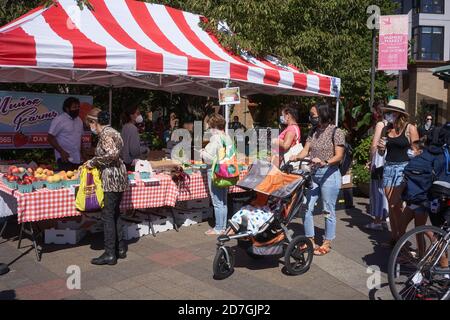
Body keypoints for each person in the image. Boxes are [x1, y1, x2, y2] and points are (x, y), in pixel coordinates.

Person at [290, 104, 344, 256]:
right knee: (306, 206)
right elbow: (305, 150)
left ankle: (327, 241)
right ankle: (310, 240)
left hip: (329, 174)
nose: (311, 117)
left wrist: (325, 162)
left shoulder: (336, 131)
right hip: (313, 174)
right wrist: (296, 156)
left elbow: (339, 155)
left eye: (313, 115)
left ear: (323, 114)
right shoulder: (313, 131)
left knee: (328, 209)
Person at [84, 108, 128, 266]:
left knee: (108, 215)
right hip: (119, 176)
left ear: (94, 122)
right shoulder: (115, 132)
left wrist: (93, 161)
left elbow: (111, 154)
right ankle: (120, 248)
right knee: (115, 213)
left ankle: (110, 253)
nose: (90, 127)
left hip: (111, 177)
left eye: (90, 123)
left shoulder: (105, 134)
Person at [376, 99, 419, 247]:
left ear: (399, 114)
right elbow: (382, 153)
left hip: (403, 168)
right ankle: (394, 237)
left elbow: (417, 151)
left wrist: (413, 154)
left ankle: (402, 239)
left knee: (395, 205)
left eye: (390, 112)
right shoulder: (386, 129)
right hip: (388, 167)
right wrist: (381, 148)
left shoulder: (410, 128)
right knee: (391, 204)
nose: (387, 114)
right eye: (386, 112)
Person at [200, 114, 233, 235]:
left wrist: (203, 152)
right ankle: (222, 226)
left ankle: (219, 228)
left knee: (217, 201)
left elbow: (209, 158)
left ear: (213, 126)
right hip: (226, 170)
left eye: (209, 126)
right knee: (223, 201)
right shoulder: (227, 137)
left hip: (215, 171)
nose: (209, 129)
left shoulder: (216, 138)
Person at [365, 103, 389, 231]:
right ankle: (384, 218)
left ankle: (377, 220)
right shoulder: (394, 125)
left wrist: (370, 160)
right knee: (385, 190)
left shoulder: (381, 124)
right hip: (389, 158)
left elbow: (374, 145)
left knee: (376, 190)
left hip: (379, 158)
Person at [48, 97, 84, 171]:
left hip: (78, 158)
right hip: (64, 158)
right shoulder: (59, 120)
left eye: (78, 107)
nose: (77, 109)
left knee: (78, 180)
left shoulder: (79, 120)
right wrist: (62, 152)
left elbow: (80, 138)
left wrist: (83, 152)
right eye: (74, 107)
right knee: (66, 181)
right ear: (67, 108)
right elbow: (50, 137)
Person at [120, 105, 149, 171]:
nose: (140, 116)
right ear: (131, 115)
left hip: (124, 162)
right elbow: (134, 151)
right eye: (138, 113)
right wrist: (145, 149)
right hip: (131, 164)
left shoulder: (125, 127)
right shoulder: (133, 128)